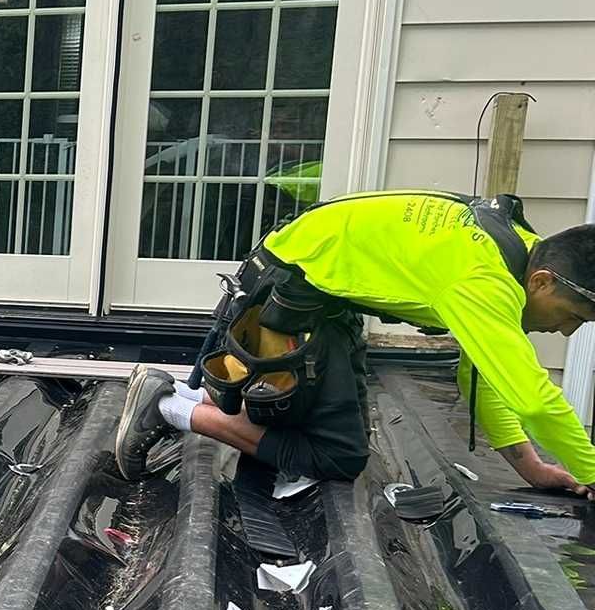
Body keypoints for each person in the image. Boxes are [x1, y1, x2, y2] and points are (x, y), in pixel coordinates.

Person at [113, 192, 595, 495]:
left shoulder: (515, 248)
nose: (569, 331)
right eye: (573, 316)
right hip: (288, 297)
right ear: (544, 282)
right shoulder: (484, 280)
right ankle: (170, 408)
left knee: (318, 426)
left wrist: (531, 466)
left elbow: (484, 371)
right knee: (337, 456)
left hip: (312, 290)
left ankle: (190, 394)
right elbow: (535, 402)